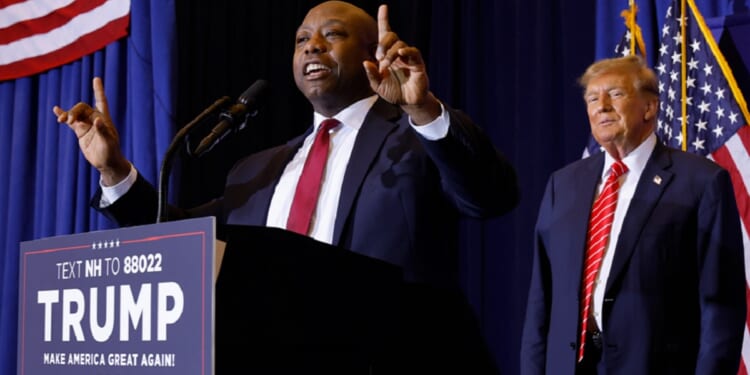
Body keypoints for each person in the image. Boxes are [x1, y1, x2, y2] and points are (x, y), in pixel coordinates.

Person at [54, 1, 519, 373]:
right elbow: (179, 246)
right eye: (301, 40)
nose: (311, 47)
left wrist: (423, 111)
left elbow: (488, 195)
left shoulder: (417, 137)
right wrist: (115, 171)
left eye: (331, 35)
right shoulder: (257, 169)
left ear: (371, 53)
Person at [520, 54, 746, 375]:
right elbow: (541, 301)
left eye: (615, 94)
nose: (601, 106)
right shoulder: (563, 184)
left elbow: (721, 304)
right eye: (592, 98)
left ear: (649, 107)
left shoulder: (701, 181)